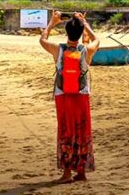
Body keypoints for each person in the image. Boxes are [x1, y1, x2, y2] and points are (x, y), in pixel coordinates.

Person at [40, 10, 99, 183]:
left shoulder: (58, 49)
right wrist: (85, 24)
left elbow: (42, 39)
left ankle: (66, 173)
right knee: (82, 131)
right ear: (81, 33)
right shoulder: (86, 50)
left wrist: (52, 23)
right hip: (81, 97)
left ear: (66, 32)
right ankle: (81, 172)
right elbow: (97, 40)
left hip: (63, 96)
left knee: (66, 132)